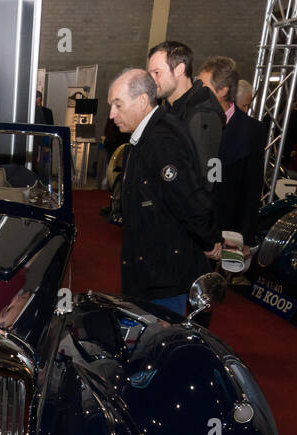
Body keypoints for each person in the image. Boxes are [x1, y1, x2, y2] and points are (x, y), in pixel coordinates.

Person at [106, 68, 221, 317]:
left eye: (118, 104)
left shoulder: (161, 141)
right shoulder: (146, 137)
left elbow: (190, 199)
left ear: (143, 101)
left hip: (164, 277)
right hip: (152, 269)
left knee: (162, 341)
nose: (112, 114)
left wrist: (209, 240)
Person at [198, 56, 264, 250]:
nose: (197, 93)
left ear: (224, 90)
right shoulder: (192, 121)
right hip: (193, 228)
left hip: (226, 229)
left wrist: (245, 238)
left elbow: (252, 188)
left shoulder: (251, 130)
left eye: (204, 87)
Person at [147, 41, 225, 184]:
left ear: (179, 69)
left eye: (157, 73)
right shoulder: (172, 109)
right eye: (150, 74)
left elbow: (209, 181)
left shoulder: (201, 115)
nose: (152, 80)